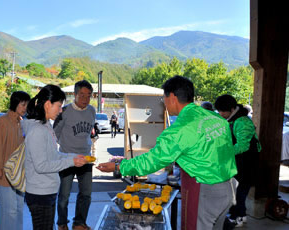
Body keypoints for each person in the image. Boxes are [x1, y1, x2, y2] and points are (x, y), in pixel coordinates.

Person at [97, 75, 238, 230]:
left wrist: (119, 167)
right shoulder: (216, 118)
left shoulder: (179, 130)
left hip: (204, 192)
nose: (163, 102)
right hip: (228, 187)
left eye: (163, 97)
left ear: (172, 97)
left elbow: (152, 161)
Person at [21, 85, 88, 230]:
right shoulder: (37, 131)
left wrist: (74, 156)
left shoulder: (46, 126)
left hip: (47, 191)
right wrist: (71, 162)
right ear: (47, 104)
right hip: (40, 194)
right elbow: (42, 166)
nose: (60, 110)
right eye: (58, 106)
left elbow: (54, 155)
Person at [54, 80, 96, 230]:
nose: (85, 99)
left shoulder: (92, 110)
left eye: (88, 96)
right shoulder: (64, 111)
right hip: (67, 159)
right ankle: (62, 223)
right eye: (82, 95)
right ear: (75, 94)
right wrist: (65, 150)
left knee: (86, 194)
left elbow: (89, 132)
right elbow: (54, 134)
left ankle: (79, 223)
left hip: (86, 158)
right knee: (64, 195)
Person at [214, 94, 261, 228]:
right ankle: (240, 215)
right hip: (238, 161)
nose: (221, 113)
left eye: (223, 111)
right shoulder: (231, 119)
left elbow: (243, 145)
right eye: (219, 111)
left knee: (240, 192)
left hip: (248, 162)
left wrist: (223, 153)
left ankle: (238, 217)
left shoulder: (243, 121)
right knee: (236, 190)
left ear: (232, 108)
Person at [0, 91, 30, 230]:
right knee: (9, 210)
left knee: (18, 208)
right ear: (15, 103)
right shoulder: (2, 121)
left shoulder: (21, 122)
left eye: (26, 105)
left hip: (18, 173)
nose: (25, 108)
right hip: (3, 172)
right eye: (22, 104)